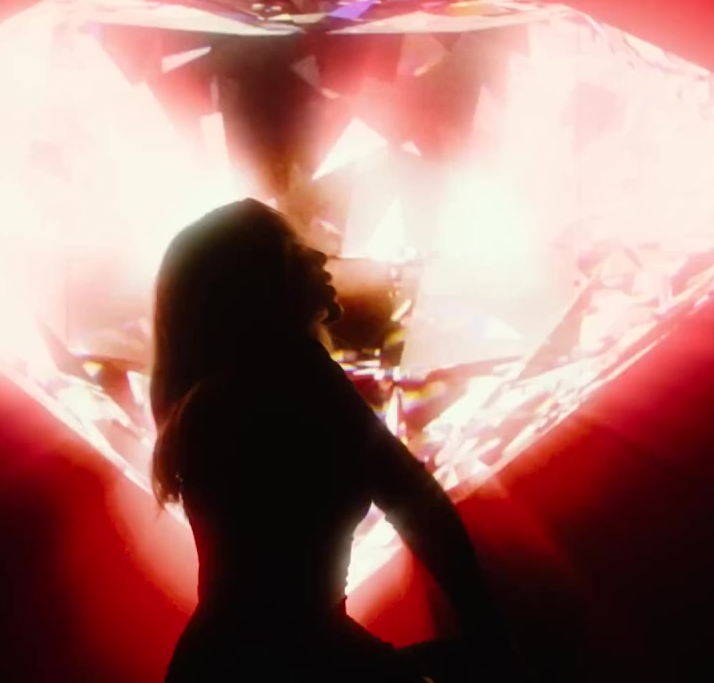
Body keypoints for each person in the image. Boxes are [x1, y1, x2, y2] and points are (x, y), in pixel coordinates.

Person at [151, 199, 521, 682]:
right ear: (257, 282)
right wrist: (488, 634)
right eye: (292, 248)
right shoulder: (291, 373)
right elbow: (415, 500)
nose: (318, 256)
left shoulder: (220, 395)